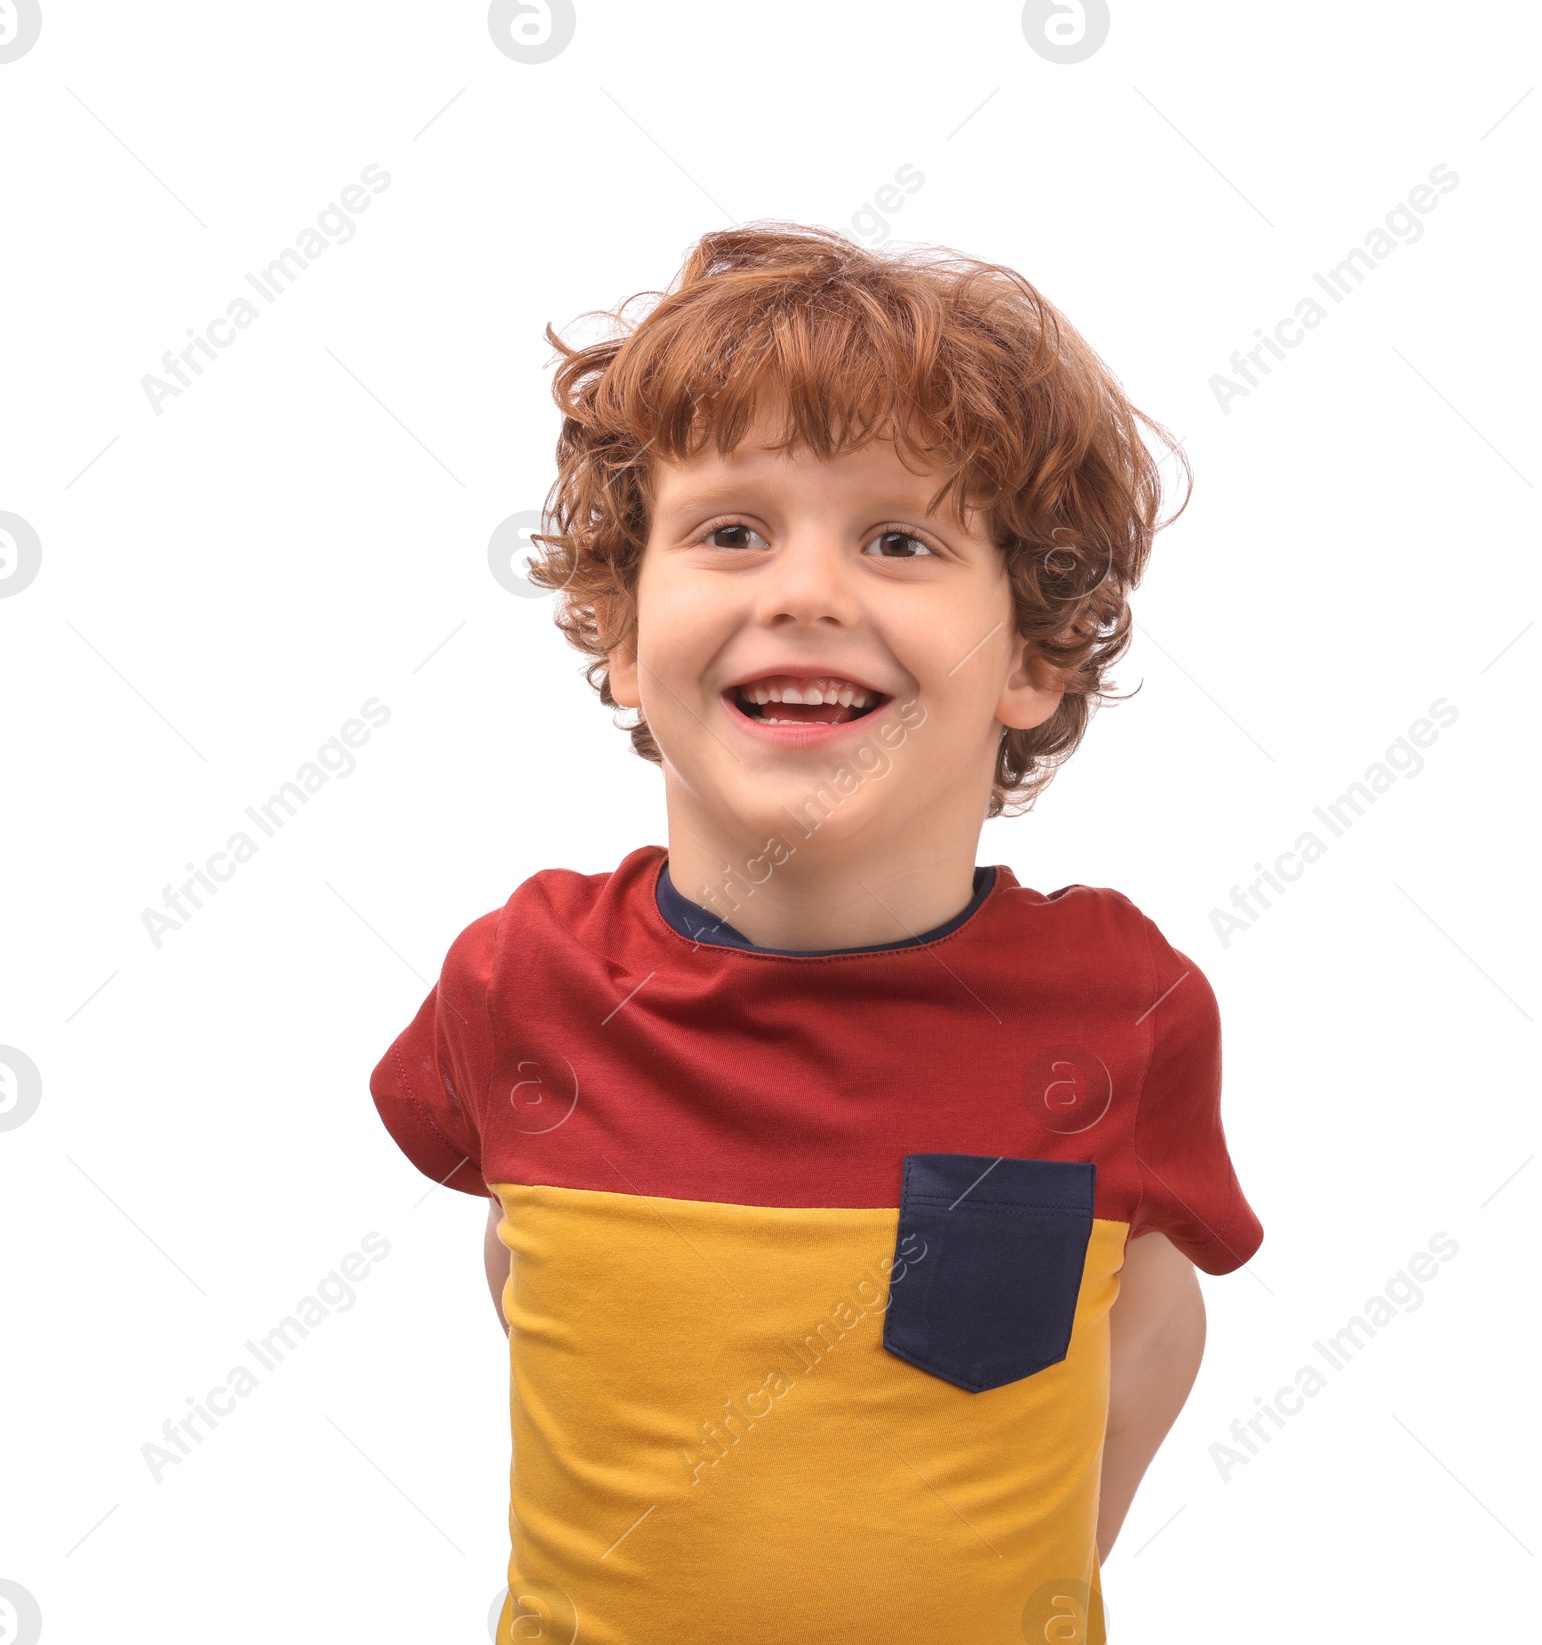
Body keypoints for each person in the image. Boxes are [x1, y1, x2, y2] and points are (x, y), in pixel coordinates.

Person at [370, 223, 1264, 1645]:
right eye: (731, 531)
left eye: (900, 539)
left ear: (1030, 654)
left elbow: (1149, 1330)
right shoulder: (521, 981)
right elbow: (547, 1290)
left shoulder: (1122, 1010)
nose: (803, 591)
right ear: (617, 618)